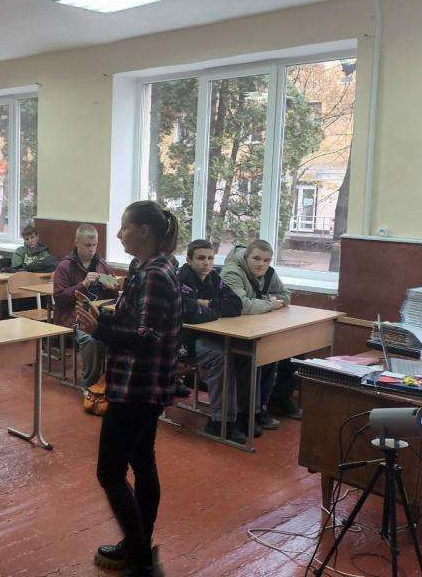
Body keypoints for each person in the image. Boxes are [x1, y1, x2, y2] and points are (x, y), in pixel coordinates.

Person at [76, 201, 181, 576]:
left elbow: (147, 337)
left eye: (124, 227)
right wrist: (102, 318)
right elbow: (132, 321)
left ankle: (140, 560)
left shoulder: (155, 274)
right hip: (139, 384)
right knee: (142, 463)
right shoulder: (145, 268)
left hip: (138, 388)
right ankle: (138, 544)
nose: (119, 234)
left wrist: (99, 330)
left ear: (145, 232)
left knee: (110, 472)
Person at [220, 240, 297, 437]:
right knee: (254, 357)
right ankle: (247, 414)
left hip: (257, 328)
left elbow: (286, 295)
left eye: (266, 260)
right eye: (256, 258)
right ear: (246, 257)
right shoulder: (232, 272)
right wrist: (270, 303)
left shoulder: (269, 272)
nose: (261, 264)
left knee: (289, 350)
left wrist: (266, 302)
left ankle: (270, 403)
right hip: (229, 332)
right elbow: (242, 305)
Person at [178, 240, 244, 442]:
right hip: (184, 339)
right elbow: (191, 314)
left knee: (243, 352)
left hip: (210, 334)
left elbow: (236, 305)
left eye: (210, 258)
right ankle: (219, 422)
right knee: (220, 356)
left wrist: (206, 305)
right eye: (200, 258)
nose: (206, 263)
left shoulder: (214, 277)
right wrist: (212, 309)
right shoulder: (181, 279)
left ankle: (245, 414)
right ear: (189, 260)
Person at [53, 224, 118, 388]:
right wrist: (83, 284)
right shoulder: (65, 266)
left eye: (95, 245)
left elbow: (114, 295)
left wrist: (111, 288)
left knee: (119, 335)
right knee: (91, 339)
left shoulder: (102, 265)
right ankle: (89, 385)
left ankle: (109, 383)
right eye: (87, 245)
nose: (92, 250)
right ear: (76, 243)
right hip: (73, 318)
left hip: (100, 316)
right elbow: (59, 299)